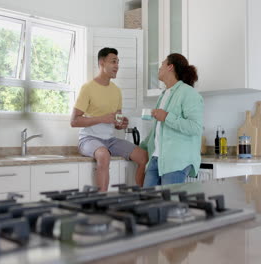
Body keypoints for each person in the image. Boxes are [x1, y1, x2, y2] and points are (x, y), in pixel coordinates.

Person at [70, 47, 148, 191]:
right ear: (102, 62)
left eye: (118, 62)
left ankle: (139, 195)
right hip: (88, 138)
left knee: (143, 156)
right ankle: (102, 200)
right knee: (103, 155)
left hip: (110, 140)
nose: (117, 66)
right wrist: (102, 118)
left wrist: (121, 123)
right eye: (113, 61)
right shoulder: (88, 88)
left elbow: (116, 121)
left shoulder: (116, 91)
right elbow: (74, 121)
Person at [140, 53, 204, 186]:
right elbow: (159, 130)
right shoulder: (163, 94)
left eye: (162, 64)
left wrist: (166, 116)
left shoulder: (188, 93)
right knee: (147, 203)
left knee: (169, 205)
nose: (159, 68)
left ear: (170, 67)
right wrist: (141, 147)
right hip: (156, 159)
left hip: (176, 162)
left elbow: (195, 127)